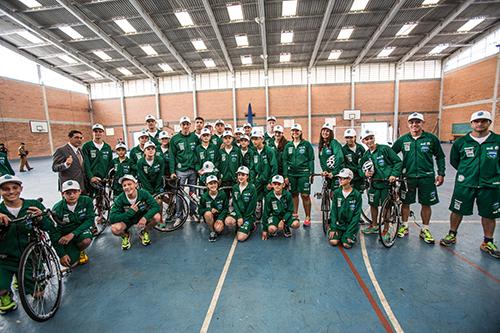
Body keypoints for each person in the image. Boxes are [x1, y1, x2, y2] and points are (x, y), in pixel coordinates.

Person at [440, 111, 500, 258]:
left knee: (489, 214)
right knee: (457, 209)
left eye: (483, 121)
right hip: (465, 183)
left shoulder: (497, 140)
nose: (480, 124)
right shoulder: (461, 142)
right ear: (471, 123)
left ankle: (488, 241)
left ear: (489, 123)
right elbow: (455, 161)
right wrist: (467, 172)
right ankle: (452, 234)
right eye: (477, 121)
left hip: (490, 185)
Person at [0, 175, 58, 314]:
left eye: (15, 188)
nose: (11, 191)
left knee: (38, 294)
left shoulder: (33, 205)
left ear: (21, 189)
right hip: (5, 258)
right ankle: (5, 294)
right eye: (5, 189)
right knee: (1, 287)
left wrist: (40, 218)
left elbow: (49, 227)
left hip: (30, 257)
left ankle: (20, 279)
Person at [392, 113, 445, 244]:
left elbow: (440, 156)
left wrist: (441, 173)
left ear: (423, 123)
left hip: (426, 177)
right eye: (412, 122)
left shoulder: (431, 139)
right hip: (408, 177)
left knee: (426, 204)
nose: (414, 125)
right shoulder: (403, 139)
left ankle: (425, 229)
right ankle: (404, 226)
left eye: (417, 122)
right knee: (405, 203)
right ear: (408, 124)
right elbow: (391, 154)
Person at [359, 129, 402, 234]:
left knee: (386, 208)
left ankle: (386, 230)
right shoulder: (366, 155)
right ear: (363, 141)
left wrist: (393, 174)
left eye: (371, 138)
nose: (369, 141)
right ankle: (374, 226)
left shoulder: (385, 149)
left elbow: (398, 162)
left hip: (386, 184)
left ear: (374, 138)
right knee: (373, 205)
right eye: (366, 139)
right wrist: (364, 174)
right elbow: (359, 169)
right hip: (374, 184)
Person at [109, 175, 161, 249]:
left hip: (141, 217)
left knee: (157, 217)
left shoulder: (143, 193)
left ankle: (144, 231)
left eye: (129, 184)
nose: (127, 187)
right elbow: (112, 218)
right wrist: (129, 213)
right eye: (124, 185)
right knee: (114, 229)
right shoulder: (120, 199)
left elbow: (156, 206)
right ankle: (125, 235)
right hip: (128, 220)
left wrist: (145, 218)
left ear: (135, 184)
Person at [51, 180, 94, 267]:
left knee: (86, 241)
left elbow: (90, 220)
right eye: (68, 193)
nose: (72, 195)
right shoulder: (57, 208)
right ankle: (72, 250)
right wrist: (62, 254)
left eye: (74, 192)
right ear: (63, 194)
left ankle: (80, 250)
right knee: (70, 263)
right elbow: (54, 232)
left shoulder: (87, 201)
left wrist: (72, 234)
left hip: (80, 231)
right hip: (65, 235)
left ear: (79, 191)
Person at [282, 123, 315, 227]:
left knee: (305, 195)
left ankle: (308, 217)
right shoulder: (288, 145)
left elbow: (311, 159)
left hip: (304, 173)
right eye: (293, 131)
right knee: (294, 194)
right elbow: (285, 161)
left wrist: (311, 173)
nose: (295, 132)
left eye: (297, 131)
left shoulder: (306, 144)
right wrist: (286, 175)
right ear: (291, 133)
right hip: (291, 174)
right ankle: (295, 214)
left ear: (300, 132)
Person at [169, 116, 200, 222]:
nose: (186, 126)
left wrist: (198, 168)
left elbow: (198, 153)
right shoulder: (175, 139)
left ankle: (193, 212)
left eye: (187, 124)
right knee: (179, 194)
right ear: (180, 125)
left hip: (192, 170)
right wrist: (172, 171)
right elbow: (172, 156)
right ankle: (179, 215)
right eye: (183, 124)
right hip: (180, 171)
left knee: (193, 193)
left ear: (190, 125)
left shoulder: (195, 138)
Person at [328, 169, 362, 249]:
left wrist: (350, 230)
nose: (340, 180)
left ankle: (350, 234)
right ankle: (340, 234)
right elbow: (333, 211)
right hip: (339, 225)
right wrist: (333, 227)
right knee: (333, 242)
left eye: (343, 178)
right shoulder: (336, 193)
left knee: (346, 245)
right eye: (339, 178)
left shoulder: (356, 195)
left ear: (349, 179)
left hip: (351, 226)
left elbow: (357, 215)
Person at [261, 175, 300, 240]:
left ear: (283, 185)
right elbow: (266, 213)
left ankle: (285, 226)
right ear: (272, 185)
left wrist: (283, 221)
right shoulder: (269, 196)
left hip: (285, 216)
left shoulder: (288, 195)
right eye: (275, 184)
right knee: (271, 229)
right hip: (275, 216)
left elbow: (290, 210)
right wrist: (264, 230)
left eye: (279, 184)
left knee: (296, 224)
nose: (277, 186)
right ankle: (275, 227)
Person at [250, 129, 278, 216]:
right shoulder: (253, 152)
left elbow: (274, 167)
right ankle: (258, 213)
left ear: (262, 139)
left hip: (267, 181)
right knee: (257, 198)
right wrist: (252, 182)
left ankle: (270, 215)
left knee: (269, 199)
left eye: (256, 139)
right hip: (258, 181)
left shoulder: (269, 151)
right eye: (253, 139)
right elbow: (252, 169)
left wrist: (271, 182)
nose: (254, 141)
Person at [225, 166, 257, 242]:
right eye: (239, 175)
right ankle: (239, 225)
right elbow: (235, 203)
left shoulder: (252, 188)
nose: (240, 177)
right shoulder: (235, 187)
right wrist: (239, 217)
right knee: (228, 221)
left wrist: (244, 218)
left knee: (240, 238)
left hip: (248, 215)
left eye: (243, 175)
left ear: (247, 176)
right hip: (238, 212)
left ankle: (251, 226)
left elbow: (252, 207)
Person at [82, 124, 113, 197]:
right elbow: (86, 163)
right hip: (91, 179)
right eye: (95, 131)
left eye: (100, 131)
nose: (98, 133)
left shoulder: (107, 147)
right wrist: (91, 177)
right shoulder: (87, 146)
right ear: (92, 133)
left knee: (102, 199)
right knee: (90, 198)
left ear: (103, 133)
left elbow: (109, 163)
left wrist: (106, 177)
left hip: (103, 179)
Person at [199, 175, 229, 242]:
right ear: (207, 185)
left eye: (215, 183)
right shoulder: (204, 197)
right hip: (210, 217)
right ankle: (212, 231)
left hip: (220, 216)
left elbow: (226, 208)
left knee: (218, 229)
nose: (213, 185)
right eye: (210, 183)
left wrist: (220, 219)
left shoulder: (222, 194)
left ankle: (218, 227)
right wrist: (209, 209)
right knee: (207, 214)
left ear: (218, 184)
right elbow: (200, 210)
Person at [318, 123, 345, 190]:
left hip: (336, 174)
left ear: (331, 133)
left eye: (327, 131)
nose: (325, 132)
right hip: (328, 174)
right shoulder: (322, 145)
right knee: (327, 193)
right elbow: (322, 161)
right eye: (323, 130)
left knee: (334, 195)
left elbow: (339, 157)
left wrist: (334, 172)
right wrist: (324, 171)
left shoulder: (334, 142)